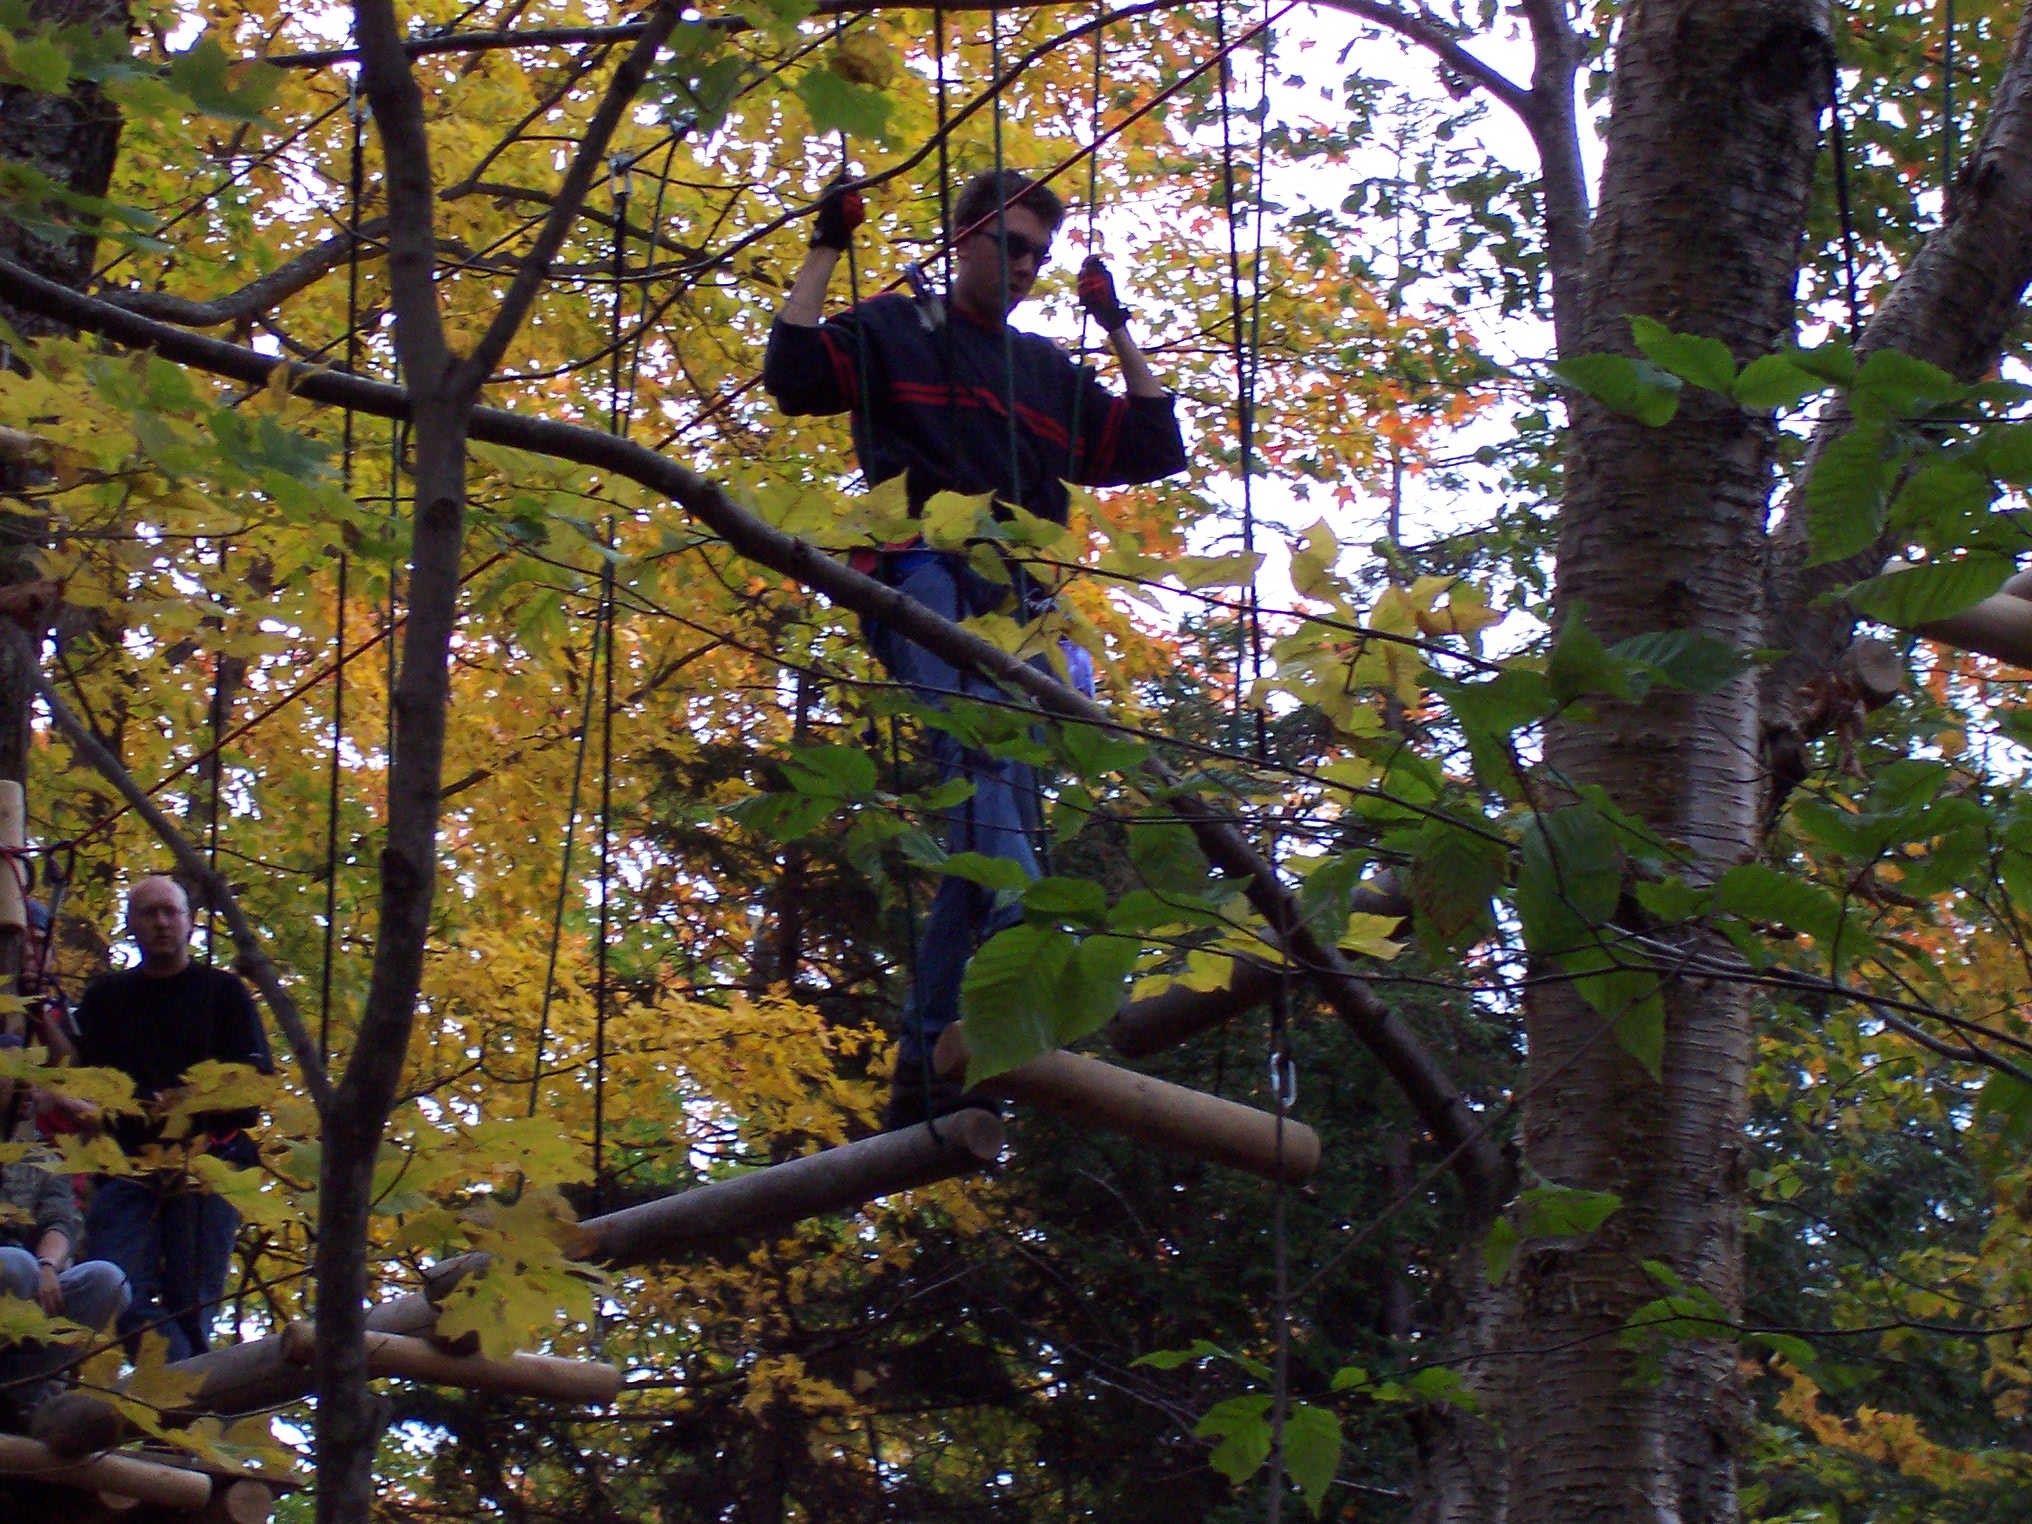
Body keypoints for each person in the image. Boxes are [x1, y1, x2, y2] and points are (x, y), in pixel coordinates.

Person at [763, 169, 1187, 1126]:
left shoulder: (1043, 371)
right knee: (988, 759)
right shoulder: (898, 328)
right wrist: (826, 245)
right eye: (1012, 245)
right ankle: (1025, 934)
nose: (1028, 266)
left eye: (1041, 253)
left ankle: (928, 1058)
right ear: (964, 239)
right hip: (920, 571)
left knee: (1004, 805)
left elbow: (1154, 442)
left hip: (1022, 599)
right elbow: (792, 374)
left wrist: (1115, 325)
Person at [73, 875, 272, 1360]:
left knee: (193, 1303)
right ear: (130, 925)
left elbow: (252, 1090)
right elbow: (84, 1080)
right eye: (149, 913)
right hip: (127, 1168)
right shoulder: (105, 1001)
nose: (161, 923)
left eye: (170, 912)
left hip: (208, 1164)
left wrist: (181, 1104)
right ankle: (179, 1382)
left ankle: (178, 1387)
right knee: (116, 1291)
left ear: (190, 923)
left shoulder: (223, 993)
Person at [0, 1068, 128, 1429]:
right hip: (12, 1270)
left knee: (108, 1280)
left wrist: (47, 1265)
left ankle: (19, 1396)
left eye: (28, 1080)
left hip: (28, 1277)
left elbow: (62, 1220)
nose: (25, 1089)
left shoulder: (44, 1159)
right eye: (12, 1076)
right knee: (15, 1267)